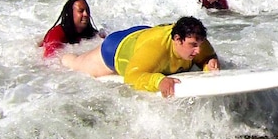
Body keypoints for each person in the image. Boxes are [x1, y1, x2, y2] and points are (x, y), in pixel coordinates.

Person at [61, 16, 219, 97]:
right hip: (116, 48)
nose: (199, 50)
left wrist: (209, 62)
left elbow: (208, 55)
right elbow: (132, 75)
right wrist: (158, 81)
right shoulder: (156, 49)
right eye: (193, 45)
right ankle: (58, 57)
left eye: (200, 45)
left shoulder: (196, 39)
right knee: (76, 63)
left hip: (144, 35)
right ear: (177, 40)